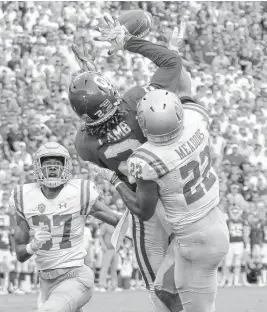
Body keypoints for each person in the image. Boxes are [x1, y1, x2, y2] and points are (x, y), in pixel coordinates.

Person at [69, 18, 187, 312]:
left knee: (158, 289)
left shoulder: (84, 143)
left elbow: (101, 117)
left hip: (141, 202)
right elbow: (171, 64)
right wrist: (128, 42)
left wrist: (88, 71)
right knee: (185, 278)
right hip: (175, 191)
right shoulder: (136, 99)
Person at [94, 89, 229, 312]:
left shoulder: (147, 159)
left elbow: (143, 210)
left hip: (193, 239)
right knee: (162, 293)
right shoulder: (195, 121)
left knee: (196, 309)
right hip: (213, 221)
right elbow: (183, 81)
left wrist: (115, 180)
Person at [12, 142, 121, 312]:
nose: (53, 168)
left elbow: (117, 220)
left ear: (66, 167)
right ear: (38, 167)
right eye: (47, 164)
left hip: (75, 276)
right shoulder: (24, 197)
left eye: (57, 164)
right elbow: (19, 253)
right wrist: (32, 246)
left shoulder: (78, 192)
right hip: (46, 282)